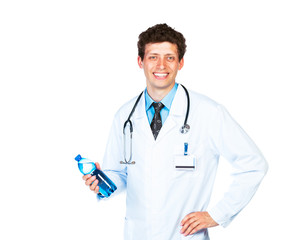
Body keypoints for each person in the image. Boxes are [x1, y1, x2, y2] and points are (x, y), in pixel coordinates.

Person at [82, 23, 268, 240]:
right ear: (140, 61)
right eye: (153, 57)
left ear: (180, 63)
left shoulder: (208, 112)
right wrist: (103, 182)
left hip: (185, 236)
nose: (161, 65)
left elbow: (254, 164)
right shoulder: (125, 116)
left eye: (169, 57)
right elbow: (120, 173)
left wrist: (217, 214)